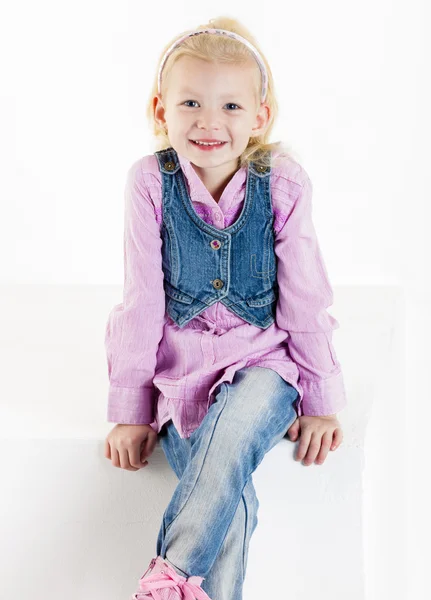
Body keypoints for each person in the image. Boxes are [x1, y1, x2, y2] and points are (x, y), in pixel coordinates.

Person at [103, 15, 347, 600]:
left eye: (231, 107)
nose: (210, 122)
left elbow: (306, 298)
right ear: (160, 110)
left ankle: (168, 576)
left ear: (260, 116)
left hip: (267, 366)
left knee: (234, 431)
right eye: (190, 103)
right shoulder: (148, 184)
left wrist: (321, 401)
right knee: (228, 502)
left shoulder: (282, 184)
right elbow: (141, 301)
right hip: (184, 378)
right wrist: (132, 409)